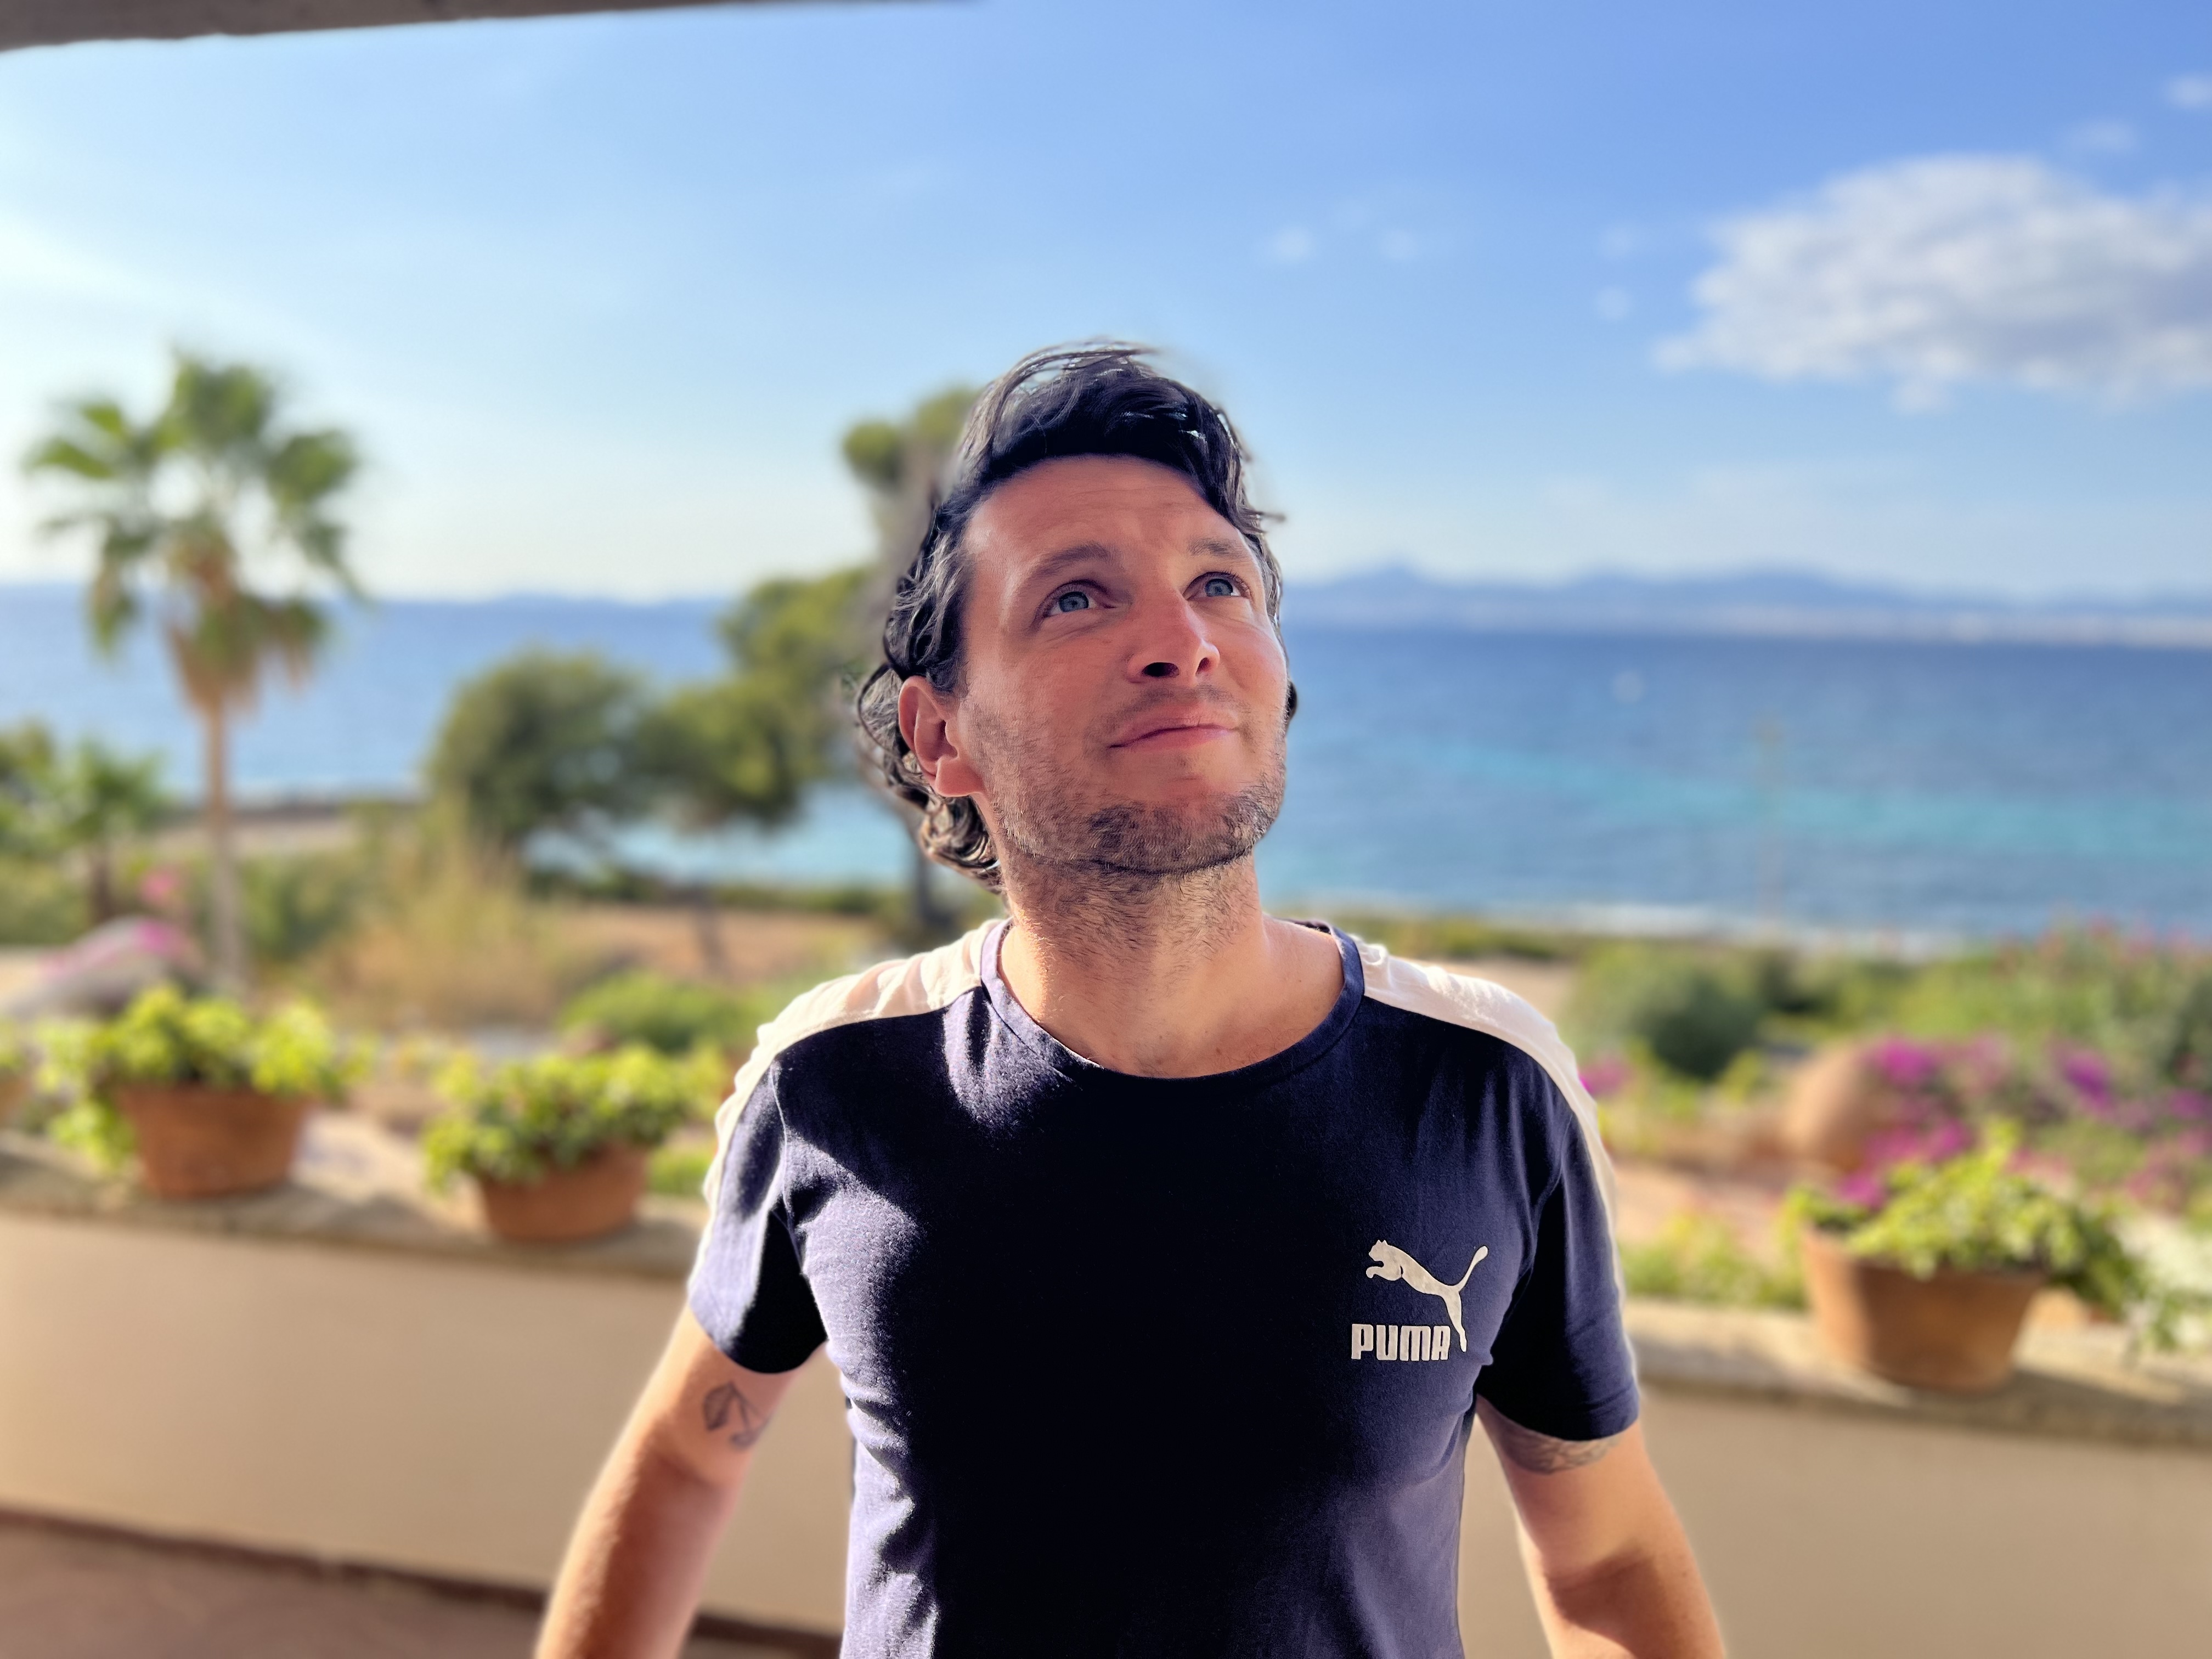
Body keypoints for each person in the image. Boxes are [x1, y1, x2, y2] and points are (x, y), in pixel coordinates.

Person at [537, 346, 1723, 1658]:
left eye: (1221, 584)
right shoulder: (835, 1083)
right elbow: (687, 1456)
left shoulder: (1480, 1088)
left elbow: (1607, 1559)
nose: (1183, 641)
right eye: (1076, 598)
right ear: (943, 737)